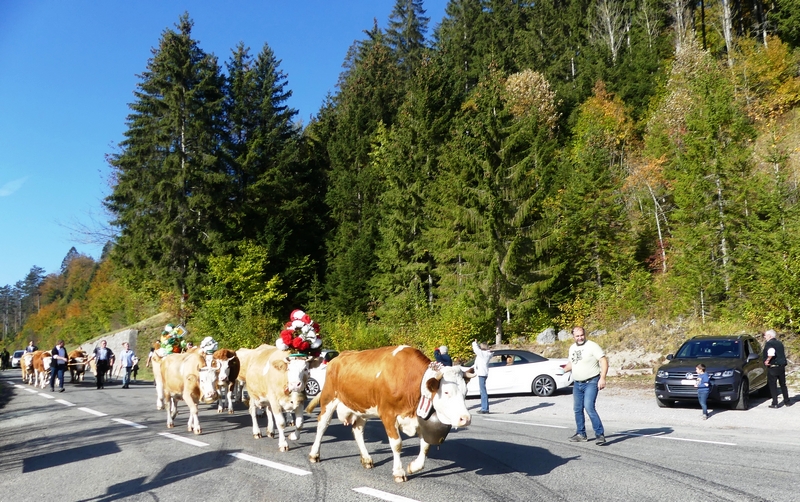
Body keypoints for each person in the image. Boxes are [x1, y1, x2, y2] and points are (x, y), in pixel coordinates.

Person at [563, 326, 608, 445]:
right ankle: (581, 434)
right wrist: (563, 370)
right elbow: (572, 363)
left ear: (585, 334)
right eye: (577, 336)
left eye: (582, 335)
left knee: (589, 407)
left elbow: (603, 360)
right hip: (577, 383)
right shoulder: (572, 348)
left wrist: (602, 378)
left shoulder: (592, 346)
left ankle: (599, 435)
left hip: (591, 382)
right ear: (573, 336)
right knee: (577, 409)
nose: (580, 338)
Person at [763, 329, 792, 408]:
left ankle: (775, 403)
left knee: (773, 385)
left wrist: (767, 360)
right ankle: (787, 401)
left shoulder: (769, 343)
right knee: (783, 384)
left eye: (765, 335)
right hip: (781, 366)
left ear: (770, 336)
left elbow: (771, 352)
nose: (764, 337)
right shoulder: (779, 343)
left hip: (773, 367)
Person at [471, 339, 493, 414]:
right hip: (483, 373)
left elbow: (476, 350)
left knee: (483, 392)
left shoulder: (484, 354)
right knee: (482, 391)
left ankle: (485, 408)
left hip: (482, 374)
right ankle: (484, 407)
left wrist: (474, 343)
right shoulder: (485, 354)